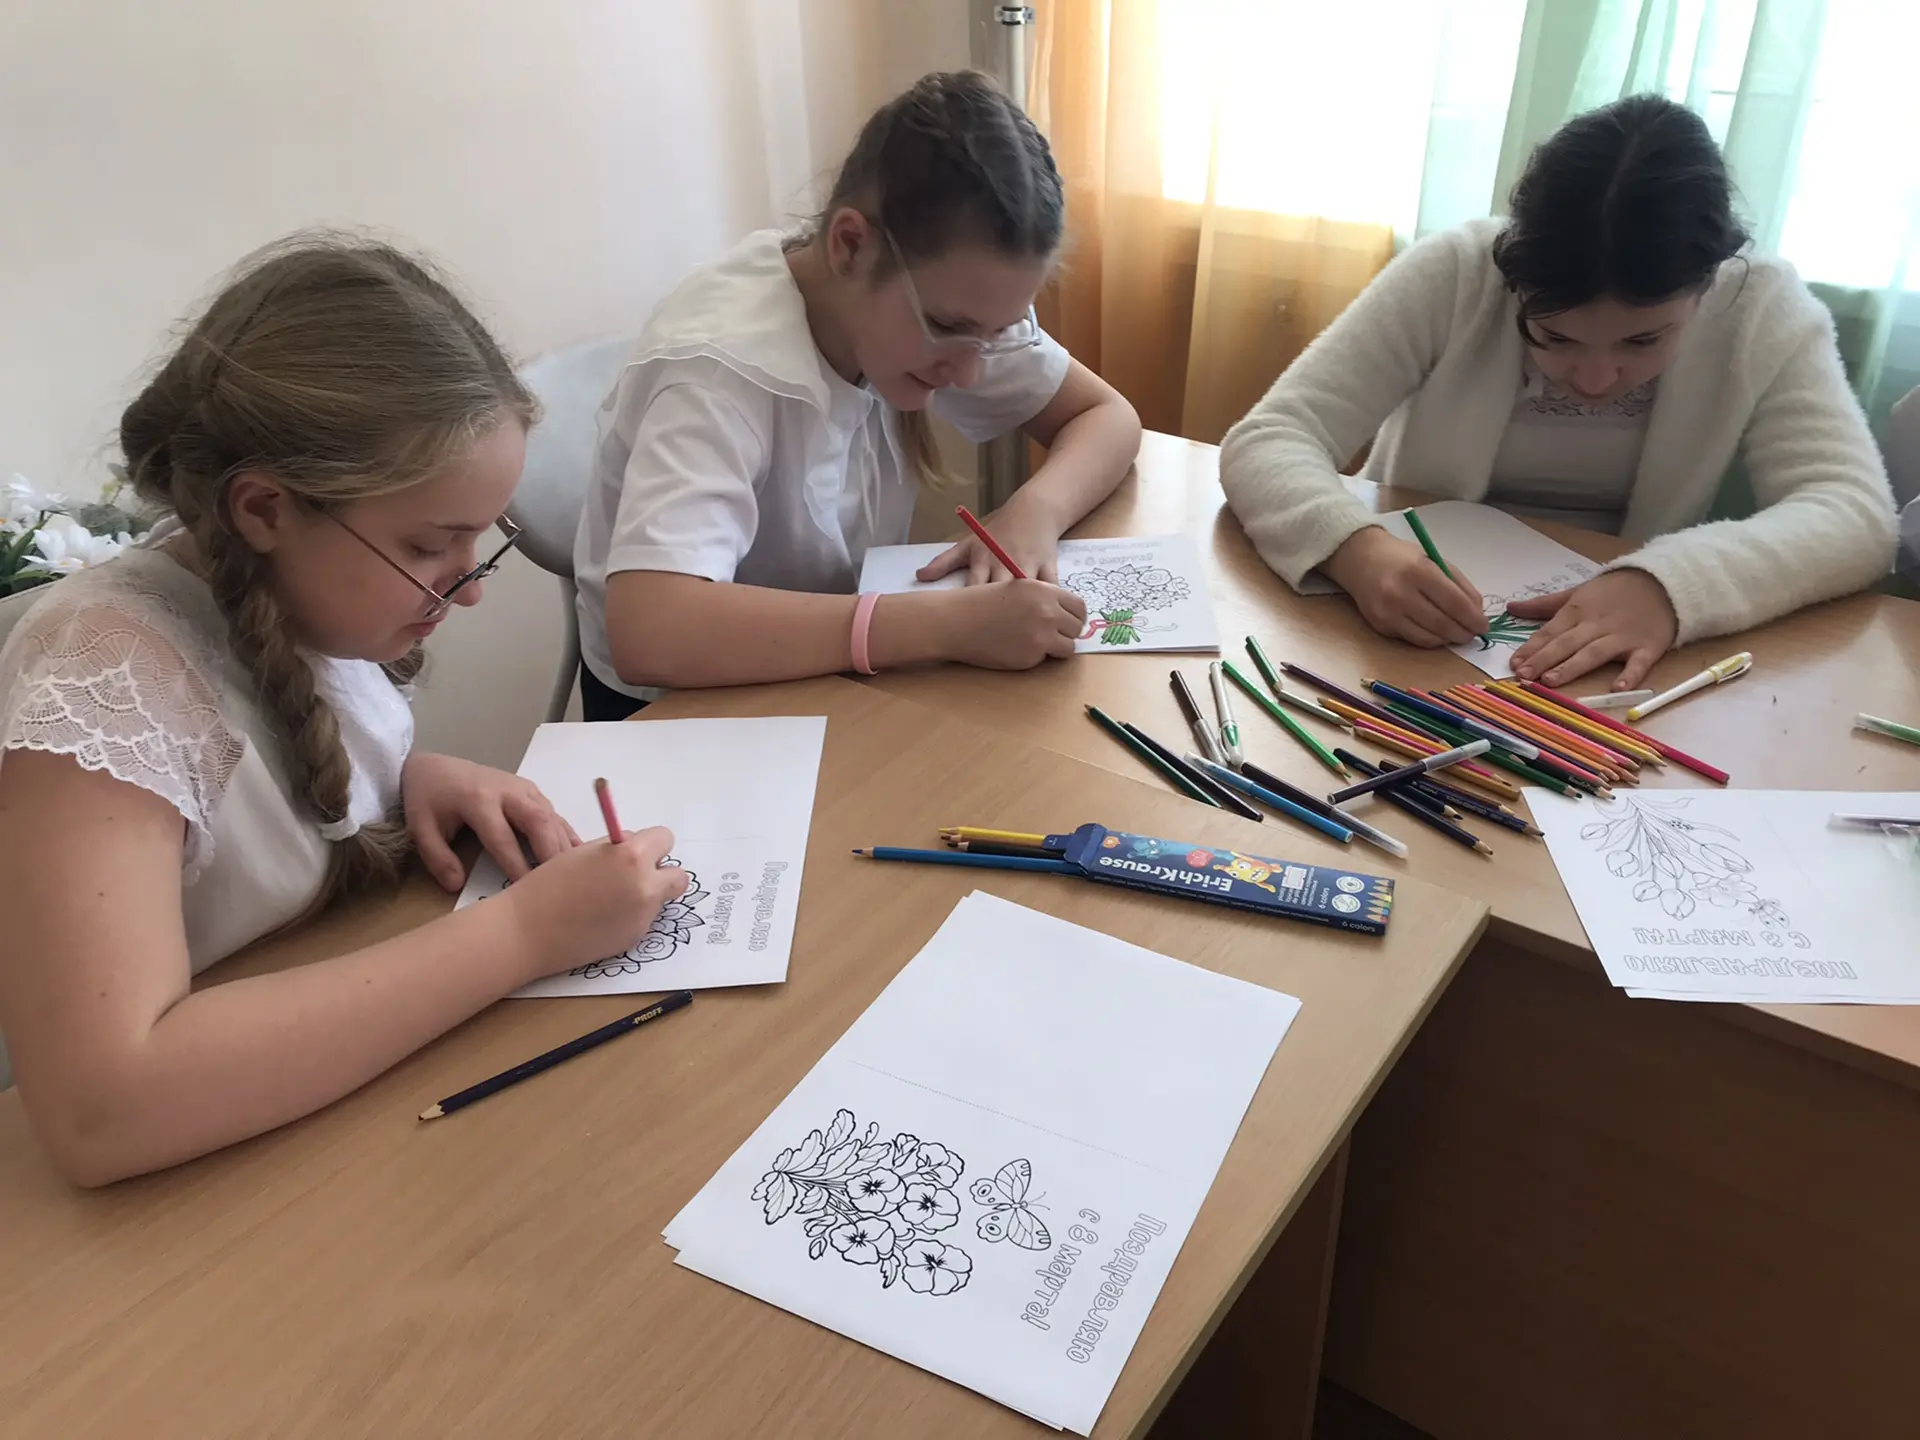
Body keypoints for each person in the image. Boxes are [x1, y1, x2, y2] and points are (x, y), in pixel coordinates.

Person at [0, 238, 689, 1185]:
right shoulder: (102, 679)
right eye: (431, 545)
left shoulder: (298, 602)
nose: (468, 590)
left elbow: (260, 794)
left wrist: (409, 784)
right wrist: (524, 935)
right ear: (264, 510)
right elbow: (102, 1109)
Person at [1219, 94, 1897, 691]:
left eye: (1643, 341)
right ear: (1515, 272)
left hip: (1597, 653)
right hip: (1403, 634)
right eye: (1554, 337)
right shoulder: (1459, 273)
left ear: (1708, 282)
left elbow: (1857, 516)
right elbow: (1270, 438)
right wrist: (1355, 551)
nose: (1595, 379)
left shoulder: (1760, 307)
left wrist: (1669, 586)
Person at [574, 70, 1142, 721]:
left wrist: (1036, 509)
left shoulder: (942, 306)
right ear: (850, 245)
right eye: (949, 328)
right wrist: (946, 626)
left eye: (996, 334)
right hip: (676, 712)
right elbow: (654, 631)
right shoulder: (719, 373)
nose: (967, 373)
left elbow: (1108, 417)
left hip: (826, 670)